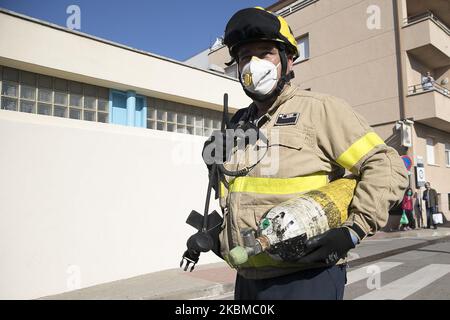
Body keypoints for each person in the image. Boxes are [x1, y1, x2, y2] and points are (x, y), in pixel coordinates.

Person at [206, 7, 408, 300]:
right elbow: (241, 191)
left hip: (305, 277)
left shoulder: (320, 110)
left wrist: (353, 230)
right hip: (247, 275)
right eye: (244, 57)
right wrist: (213, 165)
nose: (253, 65)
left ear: (288, 59)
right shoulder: (237, 123)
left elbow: (386, 164)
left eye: (265, 53)